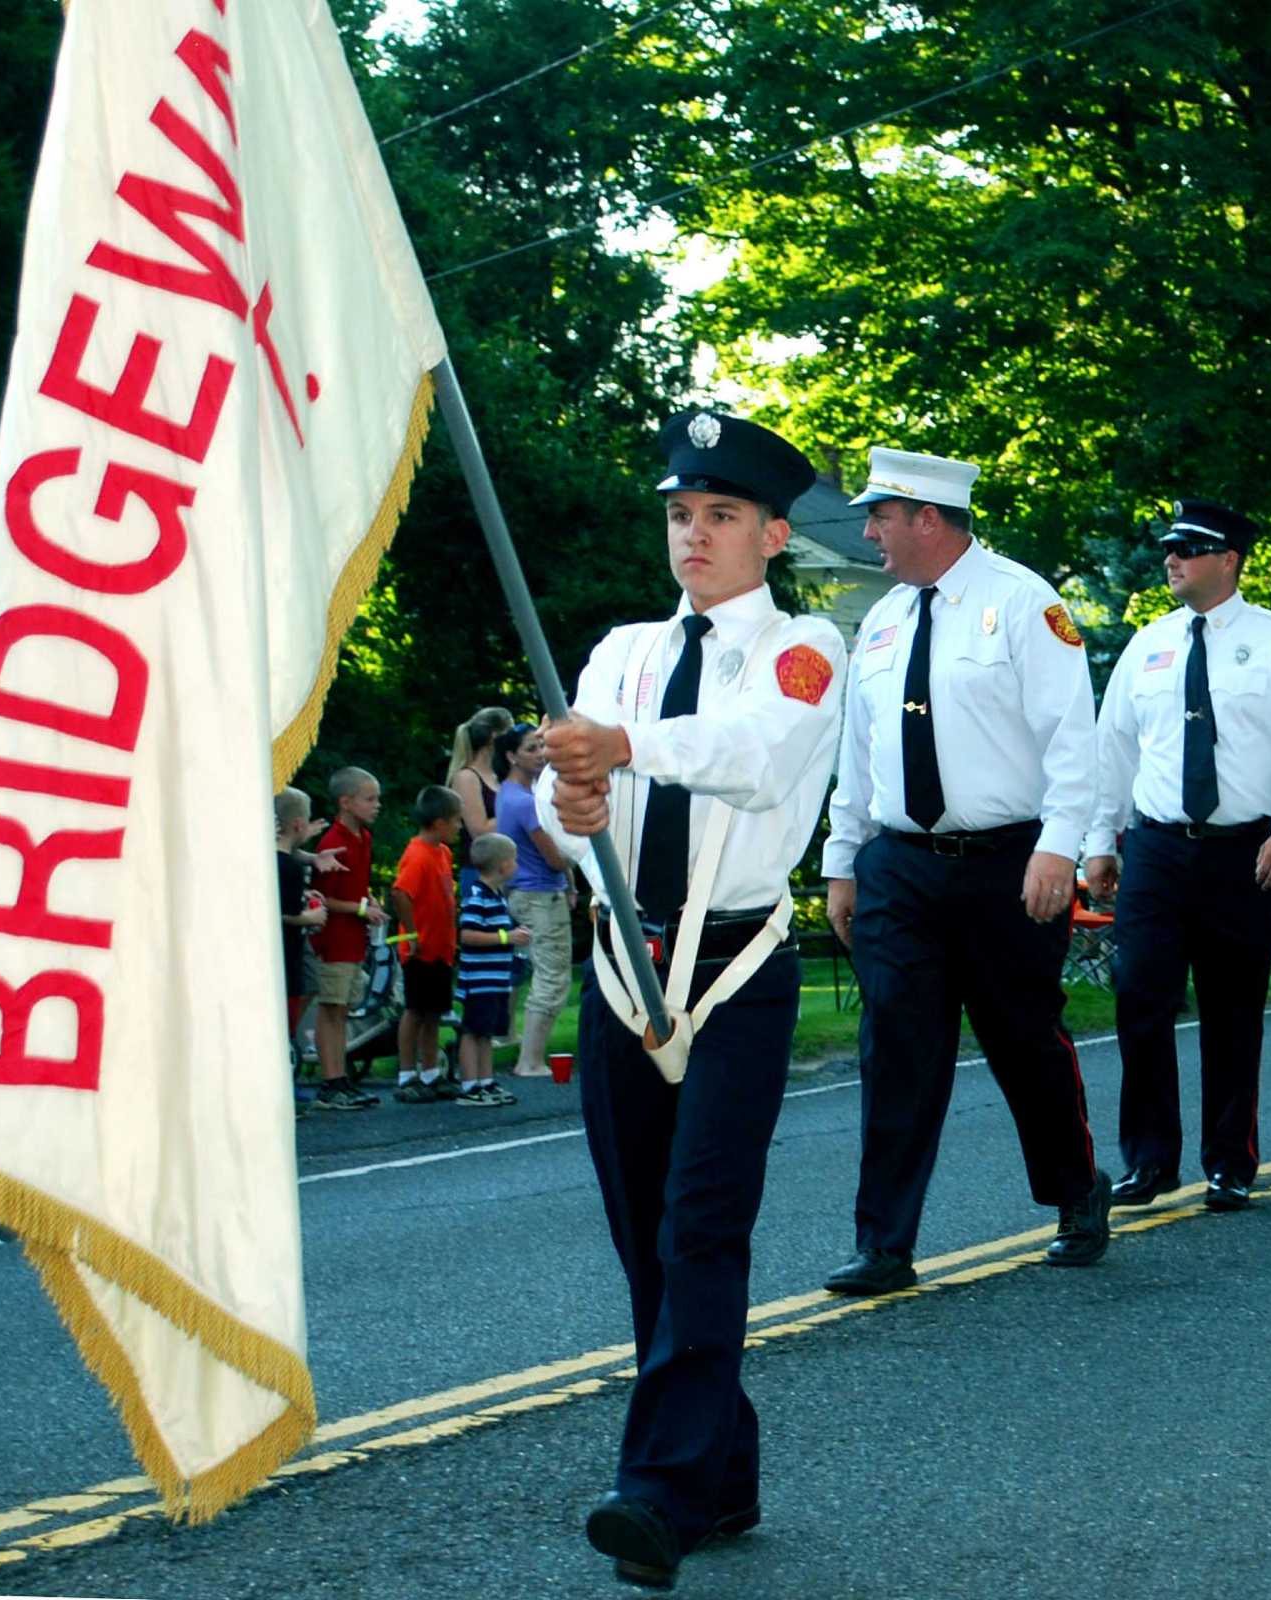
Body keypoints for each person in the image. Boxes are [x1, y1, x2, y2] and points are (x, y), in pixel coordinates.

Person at [540, 410, 844, 1588]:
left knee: (702, 1226)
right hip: (625, 958)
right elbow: (585, 818)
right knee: (644, 1243)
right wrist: (574, 823)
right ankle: (719, 1472)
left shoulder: (801, 649)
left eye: (720, 515)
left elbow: (755, 754)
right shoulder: (616, 650)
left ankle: (655, 1495)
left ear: (771, 533)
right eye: (680, 515)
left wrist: (616, 748)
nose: (695, 536)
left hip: (734, 968)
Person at [822, 445, 1110, 1296]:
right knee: (896, 1048)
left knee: (1023, 1038)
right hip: (901, 867)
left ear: (929, 518)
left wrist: (1059, 846)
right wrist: (843, 863)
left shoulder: (1025, 604)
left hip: (1007, 864)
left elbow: (1071, 736)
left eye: (880, 515)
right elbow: (858, 755)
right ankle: (884, 1241)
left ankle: (1074, 1192)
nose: (868, 530)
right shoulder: (880, 623)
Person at [1083, 500, 1271, 1210]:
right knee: (1140, 1000)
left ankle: (1229, 1161)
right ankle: (1150, 1160)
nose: (1172, 560)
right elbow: (1114, 746)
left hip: (1243, 851)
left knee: (1232, 1009)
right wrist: (1100, 841)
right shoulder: (1148, 644)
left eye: (1189, 549)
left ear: (1229, 559)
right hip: (1158, 847)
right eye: (1169, 548)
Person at [496, 720, 574, 1077]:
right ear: (511, 755)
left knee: (542, 972)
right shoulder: (527, 803)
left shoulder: (506, 795)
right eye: (531, 748)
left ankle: (529, 1055)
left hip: (526, 892)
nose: (540, 754)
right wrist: (579, 851)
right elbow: (556, 856)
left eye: (541, 746)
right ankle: (530, 1061)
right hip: (540, 895)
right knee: (552, 975)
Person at [310, 767, 389, 1111]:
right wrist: (360, 909)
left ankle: (340, 1075)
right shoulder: (333, 842)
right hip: (334, 939)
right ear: (346, 802)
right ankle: (331, 1081)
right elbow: (323, 897)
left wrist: (367, 901)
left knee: (342, 1010)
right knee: (331, 1009)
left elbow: (354, 886)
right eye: (369, 799)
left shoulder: (363, 838)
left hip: (353, 938)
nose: (376, 806)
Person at [391, 784, 465, 1102]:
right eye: (456, 821)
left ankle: (431, 1071)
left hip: (440, 948)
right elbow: (400, 892)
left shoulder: (443, 853)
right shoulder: (418, 855)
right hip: (420, 949)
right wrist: (412, 932)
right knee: (415, 1010)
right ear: (439, 822)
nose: (460, 827)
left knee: (433, 1011)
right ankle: (407, 1074)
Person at [454, 830, 525, 1106]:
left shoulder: (497, 896)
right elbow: (467, 935)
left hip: (495, 979)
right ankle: (470, 1085)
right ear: (503, 865)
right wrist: (506, 937)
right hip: (479, 980)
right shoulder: (477, 897)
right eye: (515, 859)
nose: (517, 865)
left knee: (486, 1032)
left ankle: (486, 1080)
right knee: (473, 1031)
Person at [274, 786, 330, 1110]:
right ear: (297, 825)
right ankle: (286, 1090)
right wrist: (309, 915)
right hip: (289, 957)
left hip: (282, 957)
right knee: (287, 1024)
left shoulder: (273, 862)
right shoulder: (290, 868)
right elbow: (285, 914)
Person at [449, 704, 515, 883]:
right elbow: (479, 830)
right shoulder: (467, 777)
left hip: (507, 870)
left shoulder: (499, 776)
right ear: (494, 737)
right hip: (479, 874)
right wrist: (516, 810)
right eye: (510, 734)